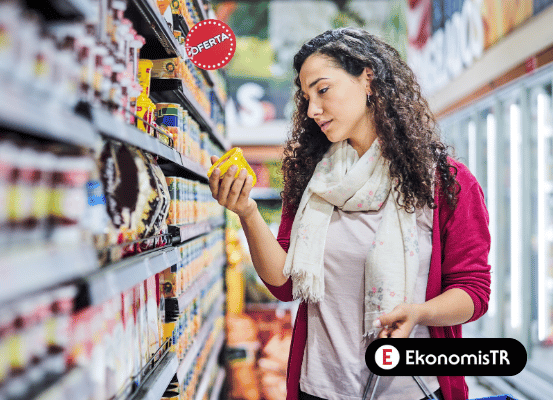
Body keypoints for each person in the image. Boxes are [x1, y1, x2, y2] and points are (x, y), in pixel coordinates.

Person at [209, 28, 491, 400]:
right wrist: (246, 211)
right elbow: (284, 282)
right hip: (320, 389)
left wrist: (419, 313)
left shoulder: (445, 183)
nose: (312, 110)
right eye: (306, 97)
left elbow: (473, 291)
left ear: (368, 79)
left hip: (410, 390)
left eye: (322, 90)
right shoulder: (314, 181)